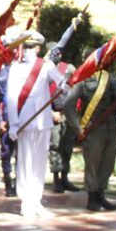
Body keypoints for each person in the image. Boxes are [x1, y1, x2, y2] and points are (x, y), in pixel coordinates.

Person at [6, 31, 66, 219]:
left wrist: (65, 85)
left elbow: (61, 81)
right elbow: (11, 97)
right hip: (25, 122)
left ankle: (36, 201)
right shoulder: (15, 68)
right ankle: (26, 202)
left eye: (32, 47)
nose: (28, 50)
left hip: (43, 122)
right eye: (26, 47)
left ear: (38, 48)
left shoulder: (46, 66)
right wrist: (13, 124)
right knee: (25, 162)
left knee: (40, 163)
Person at [62, 50, 116, 211]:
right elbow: (68, 105)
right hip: (92, 130)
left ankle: (101, 194)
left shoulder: (110, 78)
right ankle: (92, 197)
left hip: (110, 128)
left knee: (107, 163)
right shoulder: (82, 81)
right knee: (93, 165)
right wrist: (77, 128)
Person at [45, 42, 79, 193]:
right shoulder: (44, 70)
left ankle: (65, 177)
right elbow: (41, 93)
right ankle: (56, 179)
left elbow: (77, 88)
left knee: (67, 146)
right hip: (54, 113)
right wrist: (51, 113)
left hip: (68, 113)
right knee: (55, 146)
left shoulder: (69, 68)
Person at [0, 53, 16, 196]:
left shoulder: (21, 70)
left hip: (21, 118)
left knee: (21, 152)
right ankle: (7, 183)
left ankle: (19, 183)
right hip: (5, 119)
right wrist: (0, 120)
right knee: (6, 152)